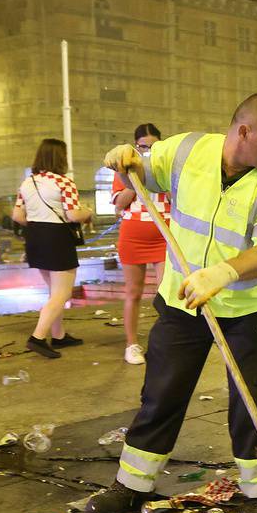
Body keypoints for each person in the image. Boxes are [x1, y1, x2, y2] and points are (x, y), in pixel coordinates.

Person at [72, 93, 257, 513]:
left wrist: (223, 272)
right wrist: (124, 160)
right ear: (244, 132)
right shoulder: (186, 149)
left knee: (249, 402)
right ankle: (132, 484)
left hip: (243, 309)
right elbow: (141, 172)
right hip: (181, 302)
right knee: (162, 392)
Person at [13, 137, 94, 360]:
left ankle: (59, 336)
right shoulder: (64, 182)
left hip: (35, 237)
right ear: (61, 157)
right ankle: (38, 337)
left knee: (54, 292)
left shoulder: (28, 182)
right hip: (57, 238)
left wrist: (39, 224)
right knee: (62, 293)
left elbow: (17, 216)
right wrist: (88, 212)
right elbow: (73, 215)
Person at [112, 123, 169, 366]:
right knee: (133, 293)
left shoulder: (165, 169)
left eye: (152, 146)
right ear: (135, 146)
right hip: (133, 235)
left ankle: (167, 340)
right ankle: (131, 343)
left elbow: (177, 199)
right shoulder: (123, 170)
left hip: (164, 235)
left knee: (166, 292)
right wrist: (132, 180)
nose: (147, 151)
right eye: (142, 146)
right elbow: (118, 204)